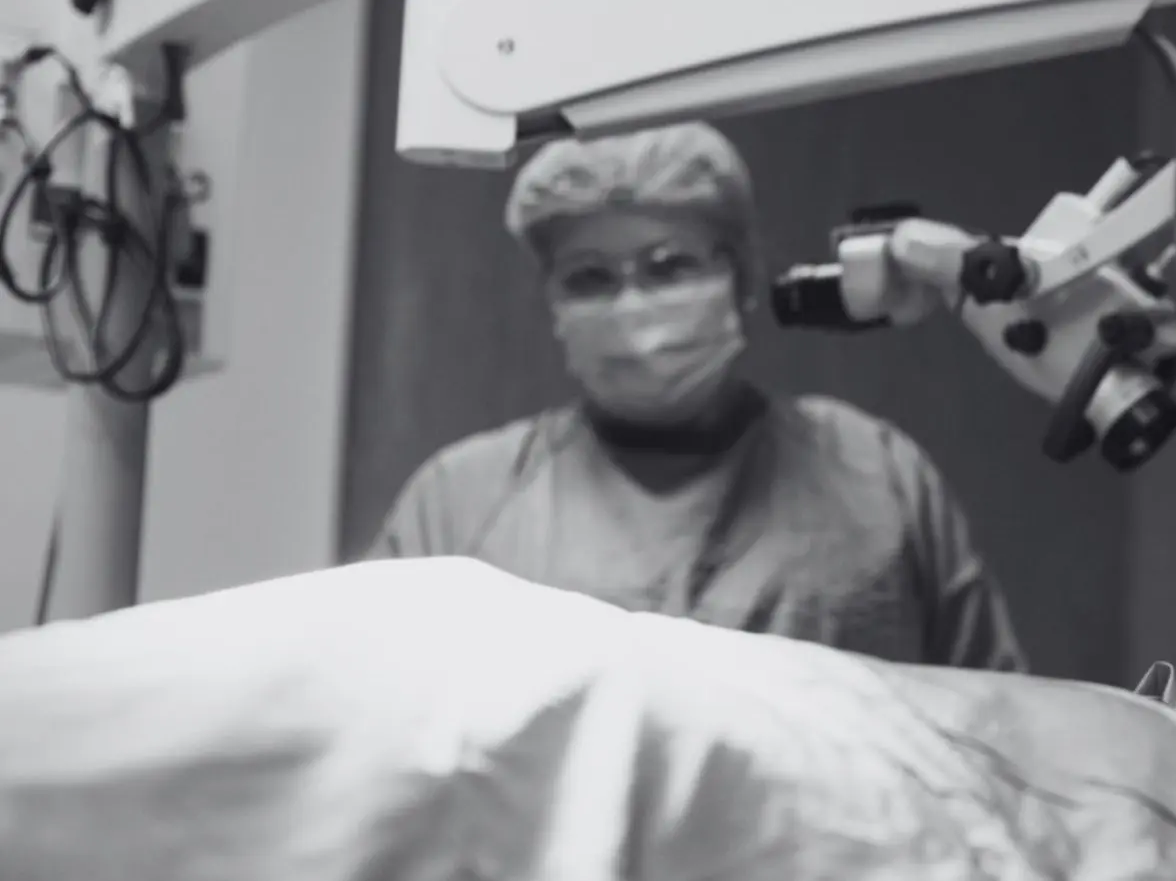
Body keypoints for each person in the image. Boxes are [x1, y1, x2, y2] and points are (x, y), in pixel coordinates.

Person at [364, 122, 1026, 674]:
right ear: (551, 301)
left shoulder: (873, 475)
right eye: (589, 278)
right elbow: (367, 723)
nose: (632, 306)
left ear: (742, 276)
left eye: (669, 265)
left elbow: (993, 722)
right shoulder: (461, 502)